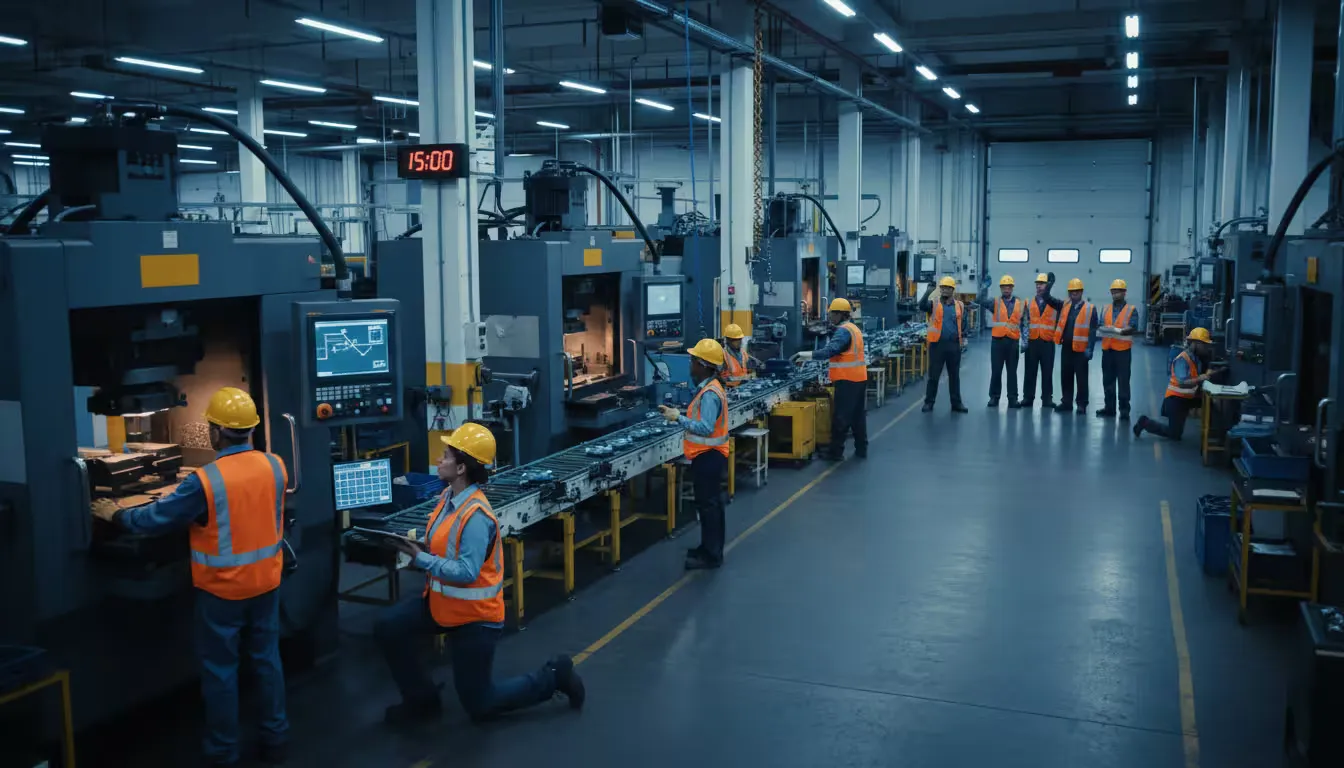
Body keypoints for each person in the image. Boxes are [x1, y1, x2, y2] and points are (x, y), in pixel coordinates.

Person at [91, 387, 289, 767]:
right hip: (267, 582)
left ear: (215, 431)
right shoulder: (276, 465)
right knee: (267, 661)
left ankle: (223, 754)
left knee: (221, 672)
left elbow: (155, 519)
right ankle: (275, 739)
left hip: (223, 592)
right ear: (250, 429)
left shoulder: (206, 480)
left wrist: (114, 513)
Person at [376, 423, 585, 723]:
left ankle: (555, 676)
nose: (439, 459)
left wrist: (422, 560)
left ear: (461, 467)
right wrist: (417, 550)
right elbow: (446, 547)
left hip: (476, 617)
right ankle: (421, 700)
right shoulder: (447, 500)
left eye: (446, 455)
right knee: (388, 628)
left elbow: (466, 572)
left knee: (480, 703)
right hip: (442, 604)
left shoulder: (475, 516)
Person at [660, 338, 730, 569]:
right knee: (711, 505)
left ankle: (711, 555)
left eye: (692, 361)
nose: (690, 366)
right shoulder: (711, 388)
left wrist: (677, 417)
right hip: (710, 455)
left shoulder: (709, 394)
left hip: (708, 456)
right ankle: (709, 547)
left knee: (708, 506)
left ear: (703, 365)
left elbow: (706, 427)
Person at [798, 298, 869, 459]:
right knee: (858, 416)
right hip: (859, 378)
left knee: (841, 417)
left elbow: (830, 351)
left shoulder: (843, 331)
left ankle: (835, 452)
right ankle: (861, 448)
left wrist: (804, 355)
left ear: (840, 314)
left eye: (832, 314)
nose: (830, 317)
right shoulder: (853, 328)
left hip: (847, 380)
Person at [1134, 328, 1222, 440]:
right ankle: (1145, 422)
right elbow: (1182, 382)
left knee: (1211, 404)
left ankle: (1215, 433)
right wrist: (1201, 378)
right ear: (1194, 344)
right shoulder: (1182, 359)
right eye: (1203, 345)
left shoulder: (1197, 358)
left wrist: (1216, 371)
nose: (1206, 348)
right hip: (1176, 399)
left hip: (1189, 398)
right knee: (1174, 434)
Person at [975, 275, 1026, 408]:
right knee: (996, 370)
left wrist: (1025, 340)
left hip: (1013, 342)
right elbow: (979, 300)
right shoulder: (995, 302)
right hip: (998, 342)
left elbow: (1025, 323)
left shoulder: (1020, 304)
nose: (1006, 289)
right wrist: (983, 288)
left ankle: (1013, 399)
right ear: (1001, 288)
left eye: (1008, 286)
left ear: (1012, 288)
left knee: (1012, 372)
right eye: (1004, 287)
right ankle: (994, 397)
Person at [919, 276, 968, 413]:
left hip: (954, 346)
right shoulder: (933, 304)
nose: (944, 290)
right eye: (943, 288)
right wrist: (928, 291)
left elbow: (963, 324)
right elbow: (921, 306)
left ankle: (956, 404)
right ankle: (929, 403)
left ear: (952, 290)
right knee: (934, 376)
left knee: (954, 376)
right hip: (937, 345)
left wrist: (964, 338)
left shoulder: (959, 305)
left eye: (947, 288)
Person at [1054, 278, 1099, 415]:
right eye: (1072, 291)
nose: (1074, 293)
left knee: (1081, 377)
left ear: (1081, 292)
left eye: (1077, 291)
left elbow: (1092, 330)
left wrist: (1090, 348)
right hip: (1066, 347)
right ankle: (1066, 402)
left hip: (1081, 349)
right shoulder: (1065, 307)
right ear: (1069, 293)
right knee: (1066, 375)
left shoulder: (1090, 309)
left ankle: (1081, 404)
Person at [1097, 279, 1139, 420]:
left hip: (1122, 351)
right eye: (1113, 292)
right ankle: (1109, 408)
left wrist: (1118, 331)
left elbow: (1133, 327)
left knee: (1123, 380)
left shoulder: (1131, 310)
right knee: (1107, 380)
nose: (1115, 294)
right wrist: (1105, 330)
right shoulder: (1106, 308)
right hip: (1107, 350)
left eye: (1118, 292)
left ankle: (1124, 409)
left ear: (1124, 293)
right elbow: (1101, 324)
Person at [1021, 273, 1064, 408]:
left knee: (1047, 371)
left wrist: (1057, 337)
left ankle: (1047, 399)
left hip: (1047, 341)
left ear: (1048, 285)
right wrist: (1024, 341)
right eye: (1037, 283)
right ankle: (1028, 398)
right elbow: (1024, 323)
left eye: (1042, 283)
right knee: (1030, 371)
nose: (1039, 286)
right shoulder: (1029, 302)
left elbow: (1060, 321)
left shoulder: (1055, 303)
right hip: (1032, 341)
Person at [722, 323, 764, 387]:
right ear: (728, 340)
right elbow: (721, 378)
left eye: (740, 339)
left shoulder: (743, 352)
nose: (739, 342)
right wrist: (744, 378)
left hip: (744, 387)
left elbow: (749, 370)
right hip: (730, 389)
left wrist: (754, 370)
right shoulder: (723, 355)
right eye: (735, 340)